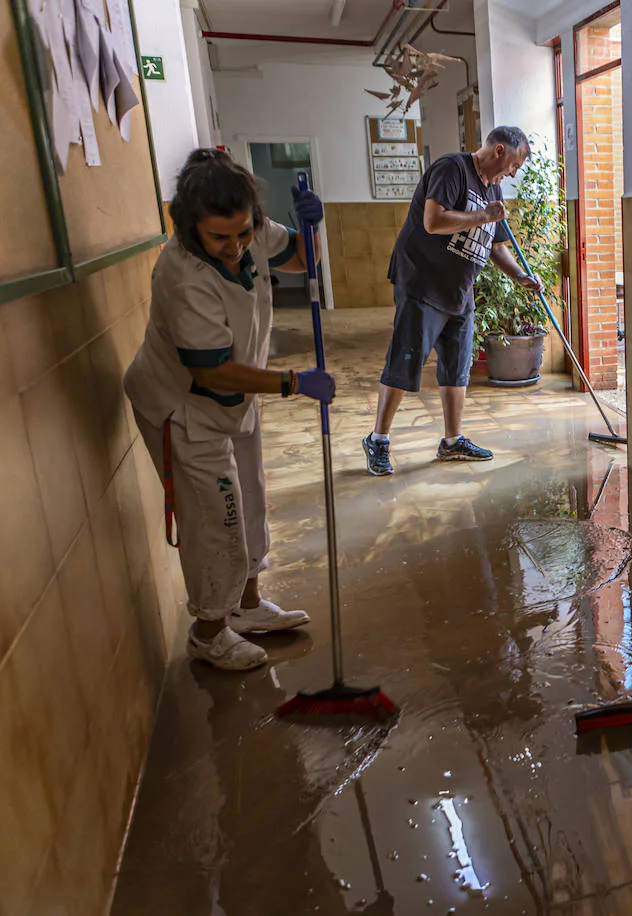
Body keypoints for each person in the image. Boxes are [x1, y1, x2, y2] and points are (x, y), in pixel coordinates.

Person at [124, 149, 336, 672]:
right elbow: (211, 372)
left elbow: (301, 260)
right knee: (216, 518)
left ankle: (246, 607)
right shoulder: (183, 275)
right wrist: (292, 381)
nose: (235, 246)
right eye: (221, 237)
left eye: (243, 233)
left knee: (253, 498)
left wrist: (315, 229)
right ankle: (209, 631)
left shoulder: (250, 229)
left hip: (236, 400)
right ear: (189, 224)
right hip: (185, 409)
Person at [362, 126, 543, 476]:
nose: (513, 172)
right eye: (514, 164)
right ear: (500, 150)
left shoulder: (493, 187)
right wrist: (481, 216)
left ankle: (451, 441)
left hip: (459, 288)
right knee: (407, 360)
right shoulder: (452, 169)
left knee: (457, 367)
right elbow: (432, 221)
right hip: (422, 281)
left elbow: (496, 245)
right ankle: (378, 439)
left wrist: (518, 275)